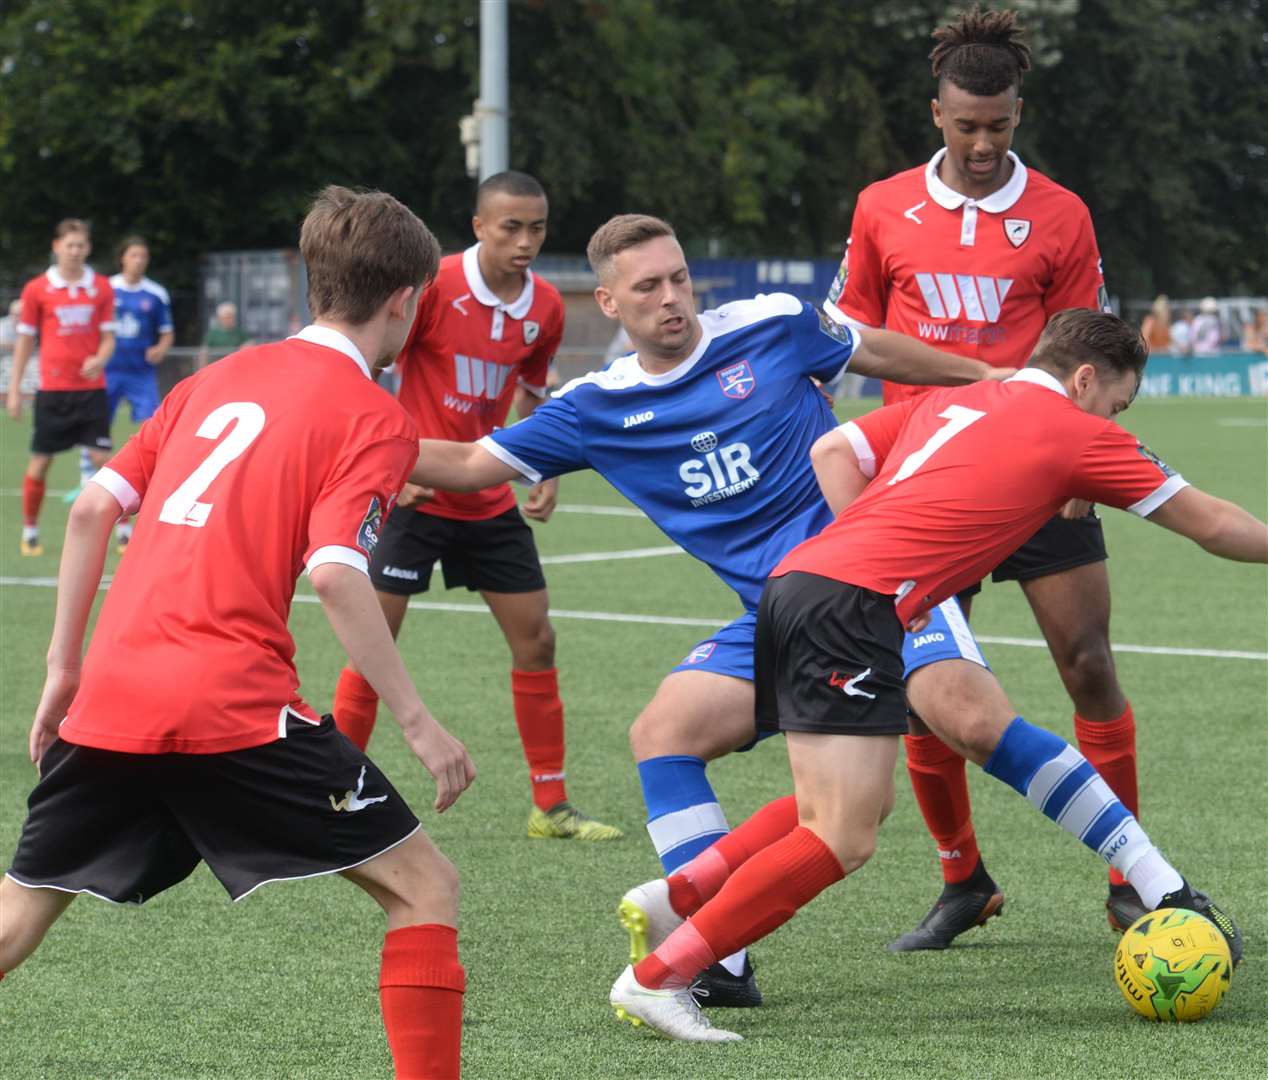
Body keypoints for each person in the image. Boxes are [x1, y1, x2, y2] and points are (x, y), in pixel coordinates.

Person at [406, 212, 1013, 1003]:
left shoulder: (770, 324)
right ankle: (723, 962)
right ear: (610, 304)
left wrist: (982, 378)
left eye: (680, 277)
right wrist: (345, 431)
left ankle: (1149, 881)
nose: (673, 298)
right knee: (664, 734)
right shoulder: (597, 405)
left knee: (970, 726)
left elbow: (868, 347)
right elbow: (468, 462)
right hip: (779, 619)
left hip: (878, 584)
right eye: (649, 286)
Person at [608, 308, 1261, 1042]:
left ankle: (683, 892)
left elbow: (835, 448)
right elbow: (1212, 523)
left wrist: (884, 566)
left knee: (856, 801)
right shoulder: (1081, 434)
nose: (1115, 418)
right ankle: (658, 977)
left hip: (802, 586)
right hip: (847, 608)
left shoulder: (957, 398)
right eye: (1118, 402)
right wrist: (887, 577)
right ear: (1085, 379)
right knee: (841, 836)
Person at [0, 187, 475, 1080]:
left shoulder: (207, 381)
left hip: (113, 695)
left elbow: (93, 507)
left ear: (312, 280)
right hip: (236, 708)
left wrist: (64, 671)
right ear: (407, 300)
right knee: (426, 889)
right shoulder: (373, 415)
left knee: (17, 917)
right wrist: (418, 721)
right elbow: (335, 571)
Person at [827, 5, 1154, 947]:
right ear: (937, 112)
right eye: (966, 125)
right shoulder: (883, 205)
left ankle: (1128, 880)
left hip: (1041, 469)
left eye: (1000, 125)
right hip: (927, 476)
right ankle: (963, 877)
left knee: (1089, 664)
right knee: (923, 681)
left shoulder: (1061, 213)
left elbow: (1086, 345)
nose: (982, 143)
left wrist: (1082, 452)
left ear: (1019, 112)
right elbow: (848, 331)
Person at [331, 170, 622, 842]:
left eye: (538, 228)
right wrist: (390, 467)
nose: (525, 241)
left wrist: (540, 462)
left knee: (537, 641)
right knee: (373, 649)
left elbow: (531, 389)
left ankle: (550, 807)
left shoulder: (545, 306)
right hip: (416, 496)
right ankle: (333, 794)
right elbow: (364, 369)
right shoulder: (436, 288)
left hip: (488, 497)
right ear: (479, 227)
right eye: (511, 227)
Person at [6, 219, 115, 557]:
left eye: (80, 245)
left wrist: (100, 358)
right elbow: (25, 341)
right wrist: (14, 389)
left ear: (88, 248)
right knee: (40, 464)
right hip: (52, 390)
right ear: (56, 247)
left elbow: (109, 338)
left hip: (91, 390)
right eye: (69, 245)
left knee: (103, 459)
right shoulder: (37, 289)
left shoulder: (100, 288)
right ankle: (30, 531)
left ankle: (125, 533)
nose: (75, 251)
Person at [97, 236, 174, 547]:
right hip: (109, 373)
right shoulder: (105, 289)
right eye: (134, 255)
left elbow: (167, 332)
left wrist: (160, 348)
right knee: (99, 436)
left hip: (141, 374)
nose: (139, 260)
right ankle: (95, 484)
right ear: (122, 258)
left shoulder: (155, 293)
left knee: (152, 437)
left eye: (143, 255)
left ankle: (140, 503)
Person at [197, 301, 250, 367]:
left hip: (235, 366)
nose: (229, 320)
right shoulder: (213, 334)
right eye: (226, 317)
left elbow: (249, 344)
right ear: (220, 318)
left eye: (231, 317)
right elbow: (204, 351)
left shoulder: (240, 333)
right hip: (217, 367)